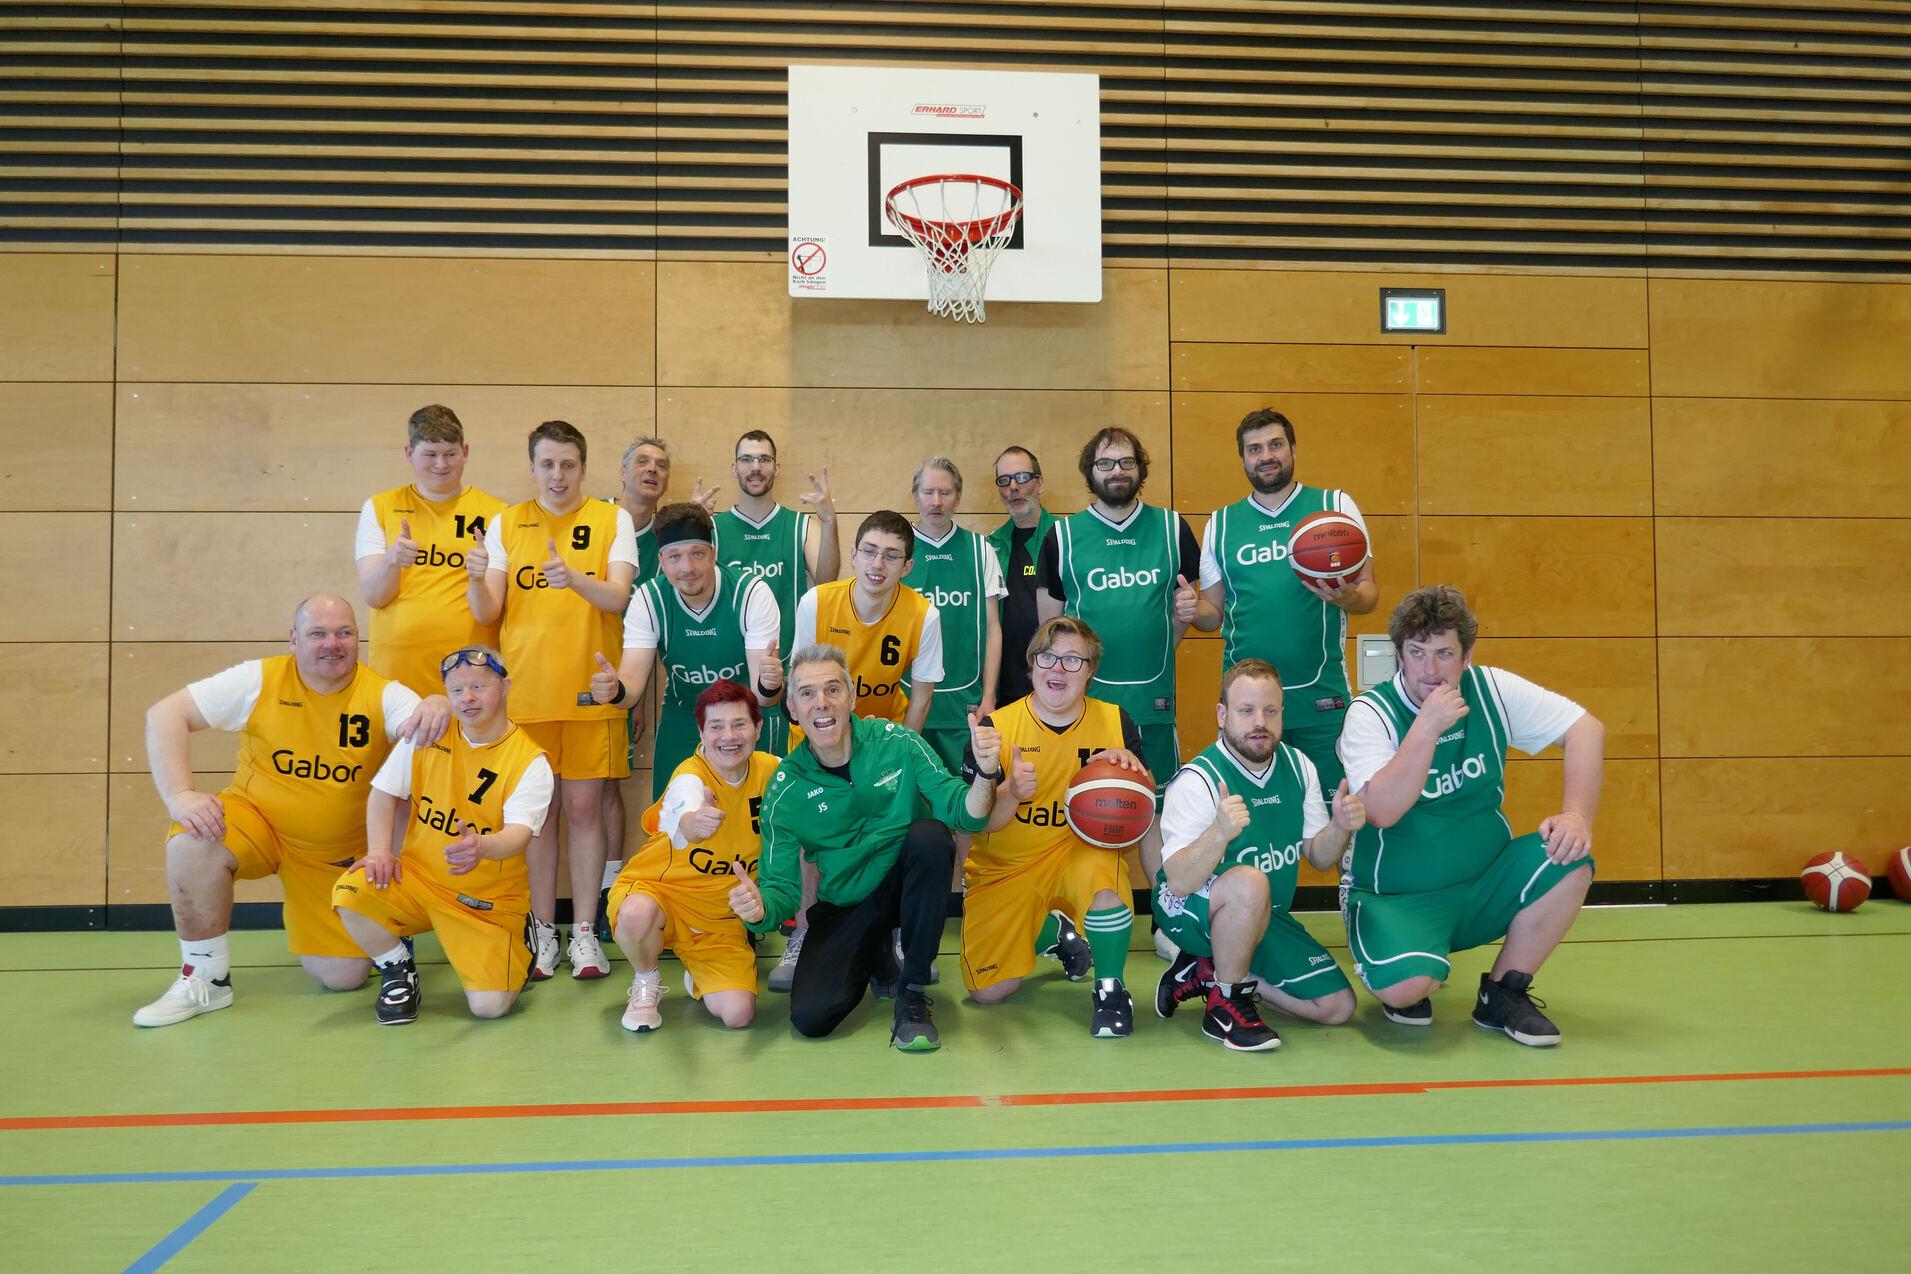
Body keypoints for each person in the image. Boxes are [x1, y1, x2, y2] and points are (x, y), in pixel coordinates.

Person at [132, 594, 450, 1027]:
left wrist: (438, 704)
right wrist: (180, 795)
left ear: (359, 639)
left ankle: (331, 918)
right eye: (317, 633)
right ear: (294, 640)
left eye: (344, 633)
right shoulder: (259, 679)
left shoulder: (383, 695)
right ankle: (206, 978)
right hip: (256, 823)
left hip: (329, 856)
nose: (332, 644)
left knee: (341, 977)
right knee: (191, 840)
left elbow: (431, 733)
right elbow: (165, 714)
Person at [1338, 585, 1602, 1046]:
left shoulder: (1491, 688)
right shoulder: (1371, 713)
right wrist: (1426, 728)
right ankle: (1412, 967)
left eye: (1444, 654)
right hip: (1397, 896)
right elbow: (1381, 810)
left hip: (1484, 883)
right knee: (1405, 991)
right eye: (1417, 653)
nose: (1430, 670)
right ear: (1399, 655)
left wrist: (1576, 814)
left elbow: (1586, 729)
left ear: (1467, 656)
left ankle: (1502, 993)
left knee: (1569, 856)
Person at [726, 645, 999, 1052]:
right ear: (793, 711)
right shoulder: (785, 789)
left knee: (930, 838)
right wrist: (760, 911)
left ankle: (912, 992)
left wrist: (985, 772)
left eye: (833, 689)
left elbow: (965, 814)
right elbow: (781, 891)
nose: (822, 703)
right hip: (846, 902)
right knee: (811, 1019)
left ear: (852, 698)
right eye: (807, 693)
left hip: (904, 881)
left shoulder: (899, 744)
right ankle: (878, 952)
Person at [467, 420, 638, 981]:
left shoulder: (613, 519)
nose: (558, 475)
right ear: (533, 467)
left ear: (583, 468)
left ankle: (584, 932)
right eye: (547, 464)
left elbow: (617, 596)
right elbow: (489, 611)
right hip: (527, 700)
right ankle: (543, 929)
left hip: (590, 695)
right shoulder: (507, 523)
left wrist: (574, 579)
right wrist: (474, 579)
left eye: (568, 464)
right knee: (537, 819)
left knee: (586, 811)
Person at [1037, 426, 1210, 955]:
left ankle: (1167, 920)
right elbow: (1048, 636)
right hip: (1084, 711)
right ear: (1089, 471)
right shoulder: (1062, 537)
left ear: (1141, 468)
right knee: (1074, 811)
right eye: (1106, 463)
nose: (1118, 471)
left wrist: (1187, 620)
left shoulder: (1172, 529)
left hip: (1152, 703)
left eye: (1127, 462)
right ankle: (1070, 920)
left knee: (1157, 816)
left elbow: (1191, 613)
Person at [331, 645, 553, 1024]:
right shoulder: (429, 733)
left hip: (483, 900)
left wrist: (483, 845)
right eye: (456, 690)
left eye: (479, 687)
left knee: (489, 1009)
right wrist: (381, 850)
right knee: (350, 891)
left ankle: (521, 938)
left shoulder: (530, 761)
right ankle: (398, 970)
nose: (467, 699)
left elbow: (519, 834)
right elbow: (383, 793)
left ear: (505, 687)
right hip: (418, 879)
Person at [1152, 659, 1364, 1052]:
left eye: (1270, 710)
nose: (1259, 722)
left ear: (1283, 713)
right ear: (1222, 714)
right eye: (1246, 711)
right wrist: (1218, 833)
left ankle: (1210, 970)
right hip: (1186, 910)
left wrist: (1340, 827)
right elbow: (1177, 880)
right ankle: (1226, 1003)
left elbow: (1318, 857)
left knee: (1336, 1006)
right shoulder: (1198, 779)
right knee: (1250, 880)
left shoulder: (1299, 766)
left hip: (1263, 914)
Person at [777, 511, 946, 992]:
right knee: (813, 835)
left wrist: (902, 752)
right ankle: (805, 933)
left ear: (908, 566)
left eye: (892, 555)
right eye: (870, 551)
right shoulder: (818, 601)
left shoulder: (923, 613)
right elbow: (800, 682)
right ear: (853, 555)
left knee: (895, 830)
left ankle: (891, 937)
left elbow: (923, 695)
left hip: (883, 736)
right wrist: (821, 737)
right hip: (819, 730)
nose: (878, 563)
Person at [963, 617, 1146, 1037]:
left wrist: (1130, 779)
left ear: (1091, 670)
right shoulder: (995, 729)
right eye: (1048, 657)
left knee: (1104, 870)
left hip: (1077, 852)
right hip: (1006, 865)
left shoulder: (1117, 723)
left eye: (1072, 660)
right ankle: (1056, 931)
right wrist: (1009, 792)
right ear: (1031, 665)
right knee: (988, 990)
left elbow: (1139, 817)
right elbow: (975, 824)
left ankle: (1111, 988)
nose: (1057, 669)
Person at [1198, 407, 1377, 794]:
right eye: (1254, 449)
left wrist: (1347, 596)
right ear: (1243, 458)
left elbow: (1369, 596)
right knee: (1253, 819)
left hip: (1321, 695)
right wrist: (1188, 607)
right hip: (1248, 706)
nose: (1266, 456)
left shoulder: (1335, 507)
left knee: (1338, 815)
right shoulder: (1221, 524)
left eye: (1276, 445)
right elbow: (1211, 615)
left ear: (1293, 448)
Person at [607, 679, 778, 1033]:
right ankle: (645, 980)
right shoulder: (690, 775)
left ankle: (698, 972)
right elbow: (681, 811)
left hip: (718, 918)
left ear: (757, 728)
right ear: (701, 732)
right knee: (636, 914)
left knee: (738, 1015)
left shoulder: (774, 772)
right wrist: (692, 823)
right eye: (716, 727)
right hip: (660, 895)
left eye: (739, 724)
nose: (728, 736)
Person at [589, 502, 782, 799]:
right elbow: (631, 686)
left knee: (757, 824)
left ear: (713, 555)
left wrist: (771, 684)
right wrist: (614, 690)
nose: (687, 568)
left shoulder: (751, 593)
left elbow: (764, 697)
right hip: (685, 717)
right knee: (672, 824)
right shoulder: (649, 599)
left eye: (697, 554)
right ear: (662, 562)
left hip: (746, 717)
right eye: (675, 557)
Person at [354, 404, 505, 698]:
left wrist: (478, 576)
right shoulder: (380, 507)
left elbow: (493, 609)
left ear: (466, 452)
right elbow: (374, 595)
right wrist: (392, 561)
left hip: (471, 672)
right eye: (430, 455)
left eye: (450, 454)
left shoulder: (497, 514)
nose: (441, 464)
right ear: (409, 453)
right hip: (398, 670)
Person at [712, 428, 840, 756]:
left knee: (776, 778)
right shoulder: (713, 528)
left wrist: (829, 523)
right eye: (747, 459)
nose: (755, 466)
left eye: (764, 459)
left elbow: (826, 580)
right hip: (724, 674)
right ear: (734, 468)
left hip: (781, 677)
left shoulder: (800, 525)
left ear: (776, 468)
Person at [905, 456, 1005, 777]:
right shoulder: (896, 548)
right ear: (915, 495)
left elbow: (993, 630)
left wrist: (989, 696)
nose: (936, 502)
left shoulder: (981, 550)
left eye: (945, 493)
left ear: (958, 497)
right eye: (928, 492)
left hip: (965, 707)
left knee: (965, 808)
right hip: (905, 705)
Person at [984, 446, 1058, 706]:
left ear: (1040, 483)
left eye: (1022, 477)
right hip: (1005, 689)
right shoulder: (990, 547)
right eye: (1004, 480)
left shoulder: (1066, 539)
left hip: (1058, 682)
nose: (1013, 487)